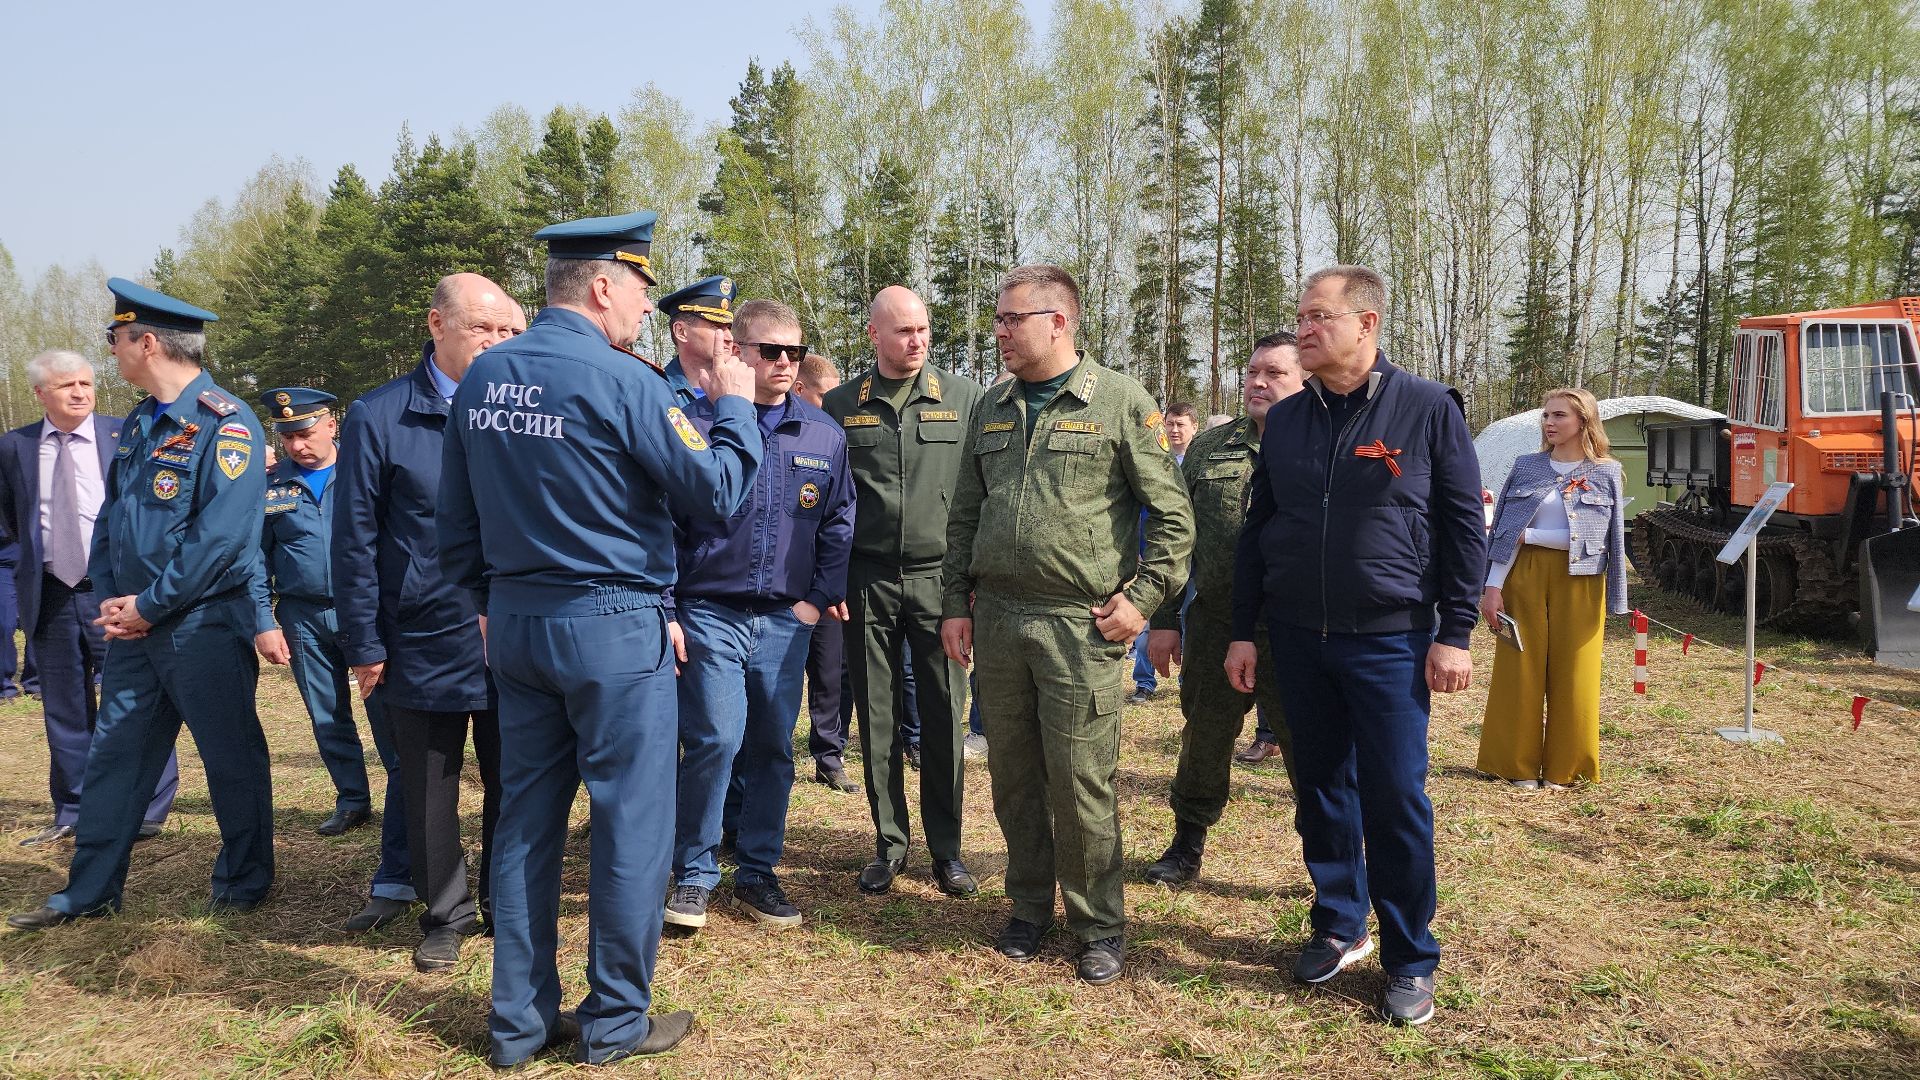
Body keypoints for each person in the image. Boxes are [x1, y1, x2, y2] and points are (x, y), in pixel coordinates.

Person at [440, 211, 762, 1068]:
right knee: (631, 826)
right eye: (643, 294)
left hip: (515, 625)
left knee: (524, 823)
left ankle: (516, 1026)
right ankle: (615, 1022)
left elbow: (452, 529)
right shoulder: (629, 383)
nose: (645, 313)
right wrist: (736, 409)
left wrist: (495, 600)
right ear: (605, 286)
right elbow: (720, 490)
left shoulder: (481, 379)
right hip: (613, 630)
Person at [1227, 264, 1484, 1026]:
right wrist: (1245, 628)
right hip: (1302, 637)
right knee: (1321, 789)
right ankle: (1339, 922)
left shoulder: (1428, 409)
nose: (1303, 329)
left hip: (1392, 640)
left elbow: (1464, 527)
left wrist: (1456, 632)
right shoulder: (1292, 419)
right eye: (1300, 317)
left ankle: (1410, 956)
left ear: (1366, 325)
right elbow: (1258, 531)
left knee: (1396, 797)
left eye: (1318, 317)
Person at [941, 265, 1194, 985]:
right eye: (997, 319)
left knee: (1082, 780)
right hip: (998, 621)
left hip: (1078, 627)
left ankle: (1098, 924)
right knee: (1015, 776)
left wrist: (1143, 600)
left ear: (1059, 322)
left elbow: (1174, 519)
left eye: (1011, 319)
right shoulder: (992, 407)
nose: (999, 332)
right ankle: (1028, 907)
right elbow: (965, 516)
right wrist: (956, 603)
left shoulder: (1117, 401)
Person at [8, 280, 273, 930]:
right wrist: (109, 596)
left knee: (229, 755)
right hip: (133, 628)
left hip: (202, 626)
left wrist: (151, 603)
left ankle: (243, 883)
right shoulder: (139, 423)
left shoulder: (225, 422)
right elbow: (112, 520)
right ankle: (89, 890)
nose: (109, 351)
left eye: (115, 338)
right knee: (115, 758)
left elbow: (222, 539)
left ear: (146, 342)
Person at [333, 273, 517, 968]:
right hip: (422, 634)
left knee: (514, 776)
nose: (498, 343)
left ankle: (506, 897)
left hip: (510, 629)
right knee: (430, 782)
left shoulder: (525, 410)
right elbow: (352, 538)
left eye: (509, 331)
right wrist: (363, 640)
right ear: (437, 326)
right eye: (483, 328)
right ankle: (445, 911)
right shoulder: (381, 416)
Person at [666, 297, 854, 932]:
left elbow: (838, 522)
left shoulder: (822, 434)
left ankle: (757, 870)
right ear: (735, 353)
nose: (782, 362)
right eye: (769, 350)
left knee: (773, 745)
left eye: (793, 352)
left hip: (784, 618)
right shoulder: (693, 424)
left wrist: (814, 601)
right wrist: (670, 605)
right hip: (710, 610)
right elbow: (662, 523)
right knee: (715, 738)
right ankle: (693, 872)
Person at [822, 285, 985, 898]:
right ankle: (889, 843)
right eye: (902, 331)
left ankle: (947, 849)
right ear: (874, 336)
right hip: (866, 579)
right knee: (880, 719)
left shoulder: (967, 399)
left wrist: (970, 584)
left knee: (945, 714)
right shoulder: (840, 404)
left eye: (922, 330)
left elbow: (981, 495)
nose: (915, 342)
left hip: (940, 581)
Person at [0, 350, 176, 848]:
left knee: (140, 697)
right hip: (53, 593)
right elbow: (12, 521)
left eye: (85, 383)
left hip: (116, 591)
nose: (79, 392)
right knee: (65, 706)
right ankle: (75, 808)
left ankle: (150, 805)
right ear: (40, 394)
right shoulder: (14, 446)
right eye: (65, 386)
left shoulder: (127, 434)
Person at [1144, 334, 1301, 886]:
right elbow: (1173, 536)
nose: (1258, 382)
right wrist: (1162, 622)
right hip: (1216, 620)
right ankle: (1186, 844)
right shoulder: (1212, 448)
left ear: (1305, 378)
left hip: (1295, 628)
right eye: (1253, 372)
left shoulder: (1320, 440)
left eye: (1275, 373)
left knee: (1310, 746)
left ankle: (1328, 860)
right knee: (1205, 735)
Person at [1478, 388, 1628, 789]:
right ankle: (1514, 765)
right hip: (1522, 577)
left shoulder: (1606, 471)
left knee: (1576, 671)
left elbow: (1608, 539)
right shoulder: (1526, 466)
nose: (1549, 422)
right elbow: (1505, 535)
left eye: (1559, 415)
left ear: (1584, 421)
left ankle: (1568, 768)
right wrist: (1492, 587)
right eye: (1546, 415)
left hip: (1581, 581)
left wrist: (1618, 597)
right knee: (1518, 668)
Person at [250, 388, 375, 837]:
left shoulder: (367, 471)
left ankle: (405, 794)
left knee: (386, 710)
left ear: (331, 425)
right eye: (287, 438)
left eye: (304, 433)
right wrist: (264, 620)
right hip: (302, 616)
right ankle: (353, 799)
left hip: (365, 611)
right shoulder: (270, 486)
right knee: (326, 713)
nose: (298, 445)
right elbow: (256, 560)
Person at [794, 352, 860, 792]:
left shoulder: (834, 439)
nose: (834, 404)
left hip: (827, 580)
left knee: (833, 669)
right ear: (802, 391)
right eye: (825, 396)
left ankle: (829, 753)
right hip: (783, 579)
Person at [1126, 401, 1202, 706]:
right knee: (1148, 621)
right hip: (1155, 558)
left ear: (1194, 427)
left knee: (1189, 620)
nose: (1174, 430)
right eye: (1169, 423)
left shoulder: (1201, 462)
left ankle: (1186, 679)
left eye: (1180, 424)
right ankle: (1144, 682)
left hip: (1195, 562)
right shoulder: (1153, 462)